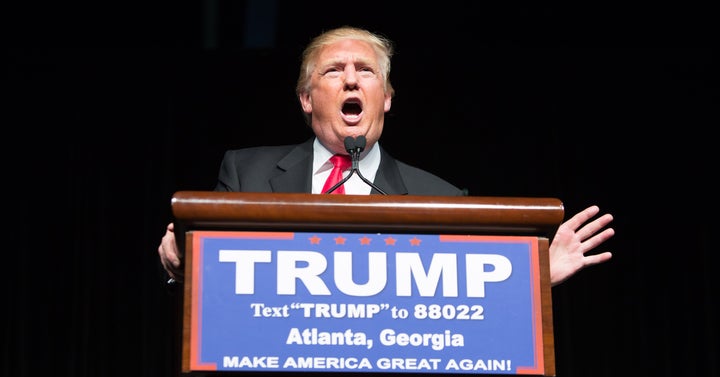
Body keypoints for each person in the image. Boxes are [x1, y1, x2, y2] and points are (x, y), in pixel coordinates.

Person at [158, 25, 615, 287]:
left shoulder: (440, 197)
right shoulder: (246, 173)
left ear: (388, 97)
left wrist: (533, 282)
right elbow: (216, 285)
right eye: (334, 70)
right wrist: (184, 267)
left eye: (367, 72)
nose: (352, 80)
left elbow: (464, 293)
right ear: (305, 98)